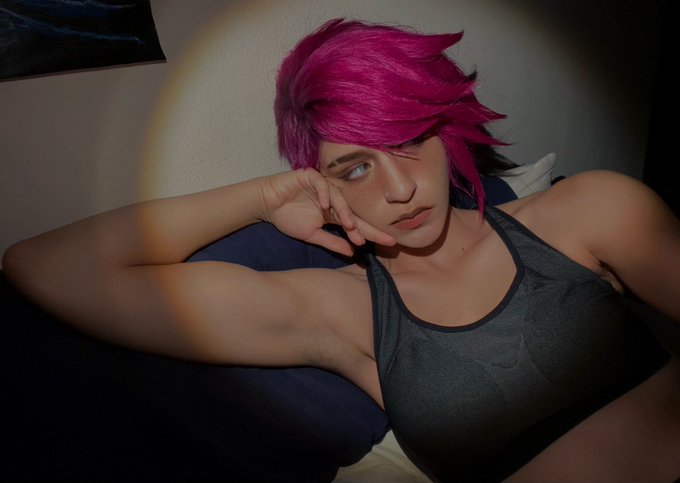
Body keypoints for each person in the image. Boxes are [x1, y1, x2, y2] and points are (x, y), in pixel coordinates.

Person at [4, 18, 680, 483]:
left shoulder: (589, 210)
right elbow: (46, 268)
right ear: (324, 184)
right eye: (355, 168)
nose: (399, 188)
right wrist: (261, 196)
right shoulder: (342, 315)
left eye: (409, 140)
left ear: (447, 132)